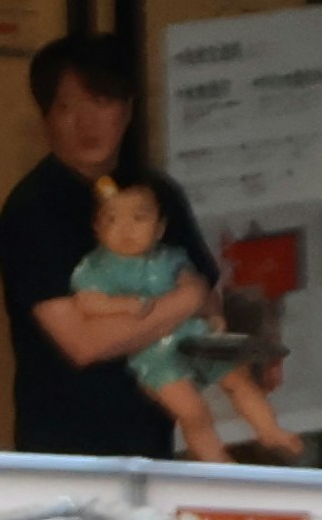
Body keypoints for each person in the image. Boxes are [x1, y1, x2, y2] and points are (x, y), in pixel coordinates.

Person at [0, 34, 220, 459]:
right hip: (65, 441)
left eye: (102, 103)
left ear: (128, 110)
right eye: (67, 107)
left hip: (155, 432)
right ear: (45, 119)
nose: (87, 123)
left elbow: (211, 303)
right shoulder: (32, 211)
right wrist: (183, 299)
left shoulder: (157, 194)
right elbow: (84, 343)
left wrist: (191, 303)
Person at [81, 172, 290, 462]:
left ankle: (269, 428)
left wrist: (212, 313)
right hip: (155, 356)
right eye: (112, 220)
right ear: (97, 229)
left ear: (159, 229)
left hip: (195, 335)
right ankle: (216, 462)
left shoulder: (172, 258)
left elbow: (198, 291)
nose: (125, 229)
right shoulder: (97, 269)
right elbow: (88, 302)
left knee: (238, 378)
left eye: (138, 219)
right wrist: (123, 306)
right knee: (192, 411)